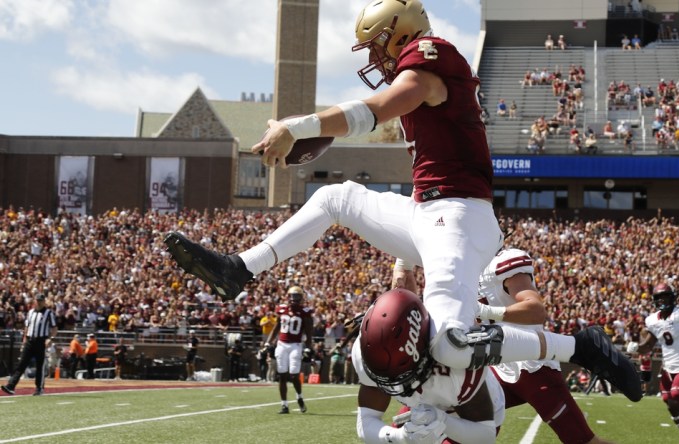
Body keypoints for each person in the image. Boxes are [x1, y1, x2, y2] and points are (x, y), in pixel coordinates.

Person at [163, 0, 641, 401]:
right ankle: (237, 269)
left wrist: (299, 126)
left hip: (458, 216)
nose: (374, 57)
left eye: (375, 45)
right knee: (335, 198)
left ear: (399, 35)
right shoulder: (424, 66)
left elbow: (377, 110)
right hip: (427, 211)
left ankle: (577, 347)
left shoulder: (433, 58)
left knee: (451, 344)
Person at [476, 248, 613, 444]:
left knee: (582, 441)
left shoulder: (502, 261)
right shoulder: (468, 268)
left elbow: (535, 310)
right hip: (496, 365)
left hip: (530, 365)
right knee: (464, 422)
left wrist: (485, 311)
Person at [354, 288, 506, 443]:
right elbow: (366, 421)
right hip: (422, 405)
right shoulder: (370, 352)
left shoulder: (454, 361)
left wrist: (442, 421)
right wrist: (401, 437)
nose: (394, 383)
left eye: (403, 374)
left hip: (467, 418)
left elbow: (484, 435)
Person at [627, 283, 679, 444]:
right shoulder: (652, 320)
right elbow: (648, 346)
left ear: (672, 297)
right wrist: (637, 347)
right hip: (668, 367)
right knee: (670, 404)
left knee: (676, 402)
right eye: (659, 298)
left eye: (665, 296)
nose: (662, 301)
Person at [267, 286, 313, 414]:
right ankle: (284, 405)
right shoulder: (282, 309)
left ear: (302, 298)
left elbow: (309, 332)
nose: (294, 299)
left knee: (293, 375)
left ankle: (299, 397)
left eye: (297, 296)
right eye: (293, 296)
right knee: (282, 374)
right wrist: (268, 342)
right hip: (281, 344)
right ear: (288, 297)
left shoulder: (305, 312)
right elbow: (276, 327)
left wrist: (308, 347)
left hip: (295, 345)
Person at [1, 293, 57, 396]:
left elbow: (54, 328)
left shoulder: (49, 313)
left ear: (44, 301)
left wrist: (50, 338)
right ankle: (11, 386)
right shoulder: (30, 312)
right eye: (37, 300)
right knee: (21, 364)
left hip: (41, 341)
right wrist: (24, 342)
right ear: (35, 301)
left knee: (40, 365)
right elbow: (27, 328)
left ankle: (39, 388)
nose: (39, 302)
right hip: (30, 341)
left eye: (41, 300)